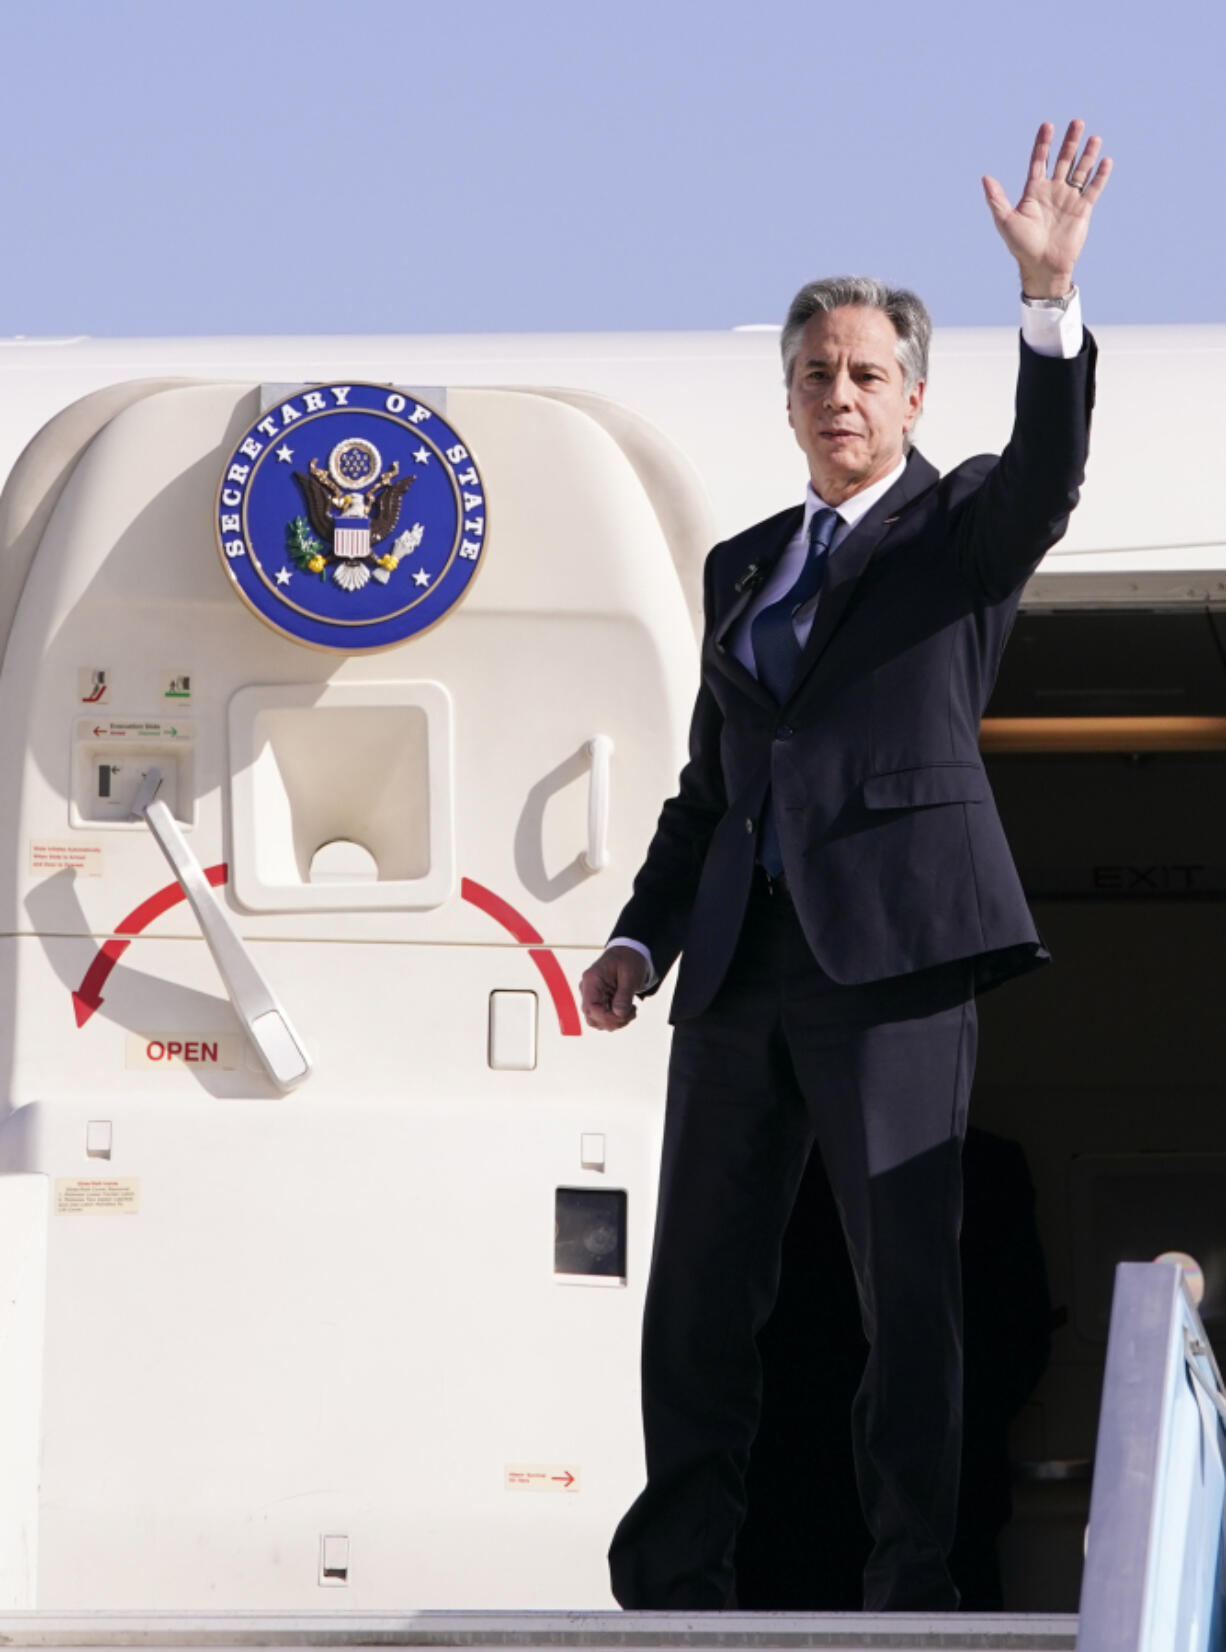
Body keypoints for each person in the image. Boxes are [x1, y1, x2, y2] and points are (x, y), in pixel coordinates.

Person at [579, 119, 1111, 1613]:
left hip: (891, 951)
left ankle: (910, 1589)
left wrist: (1047, 301)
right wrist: (640, 939)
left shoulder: (957, 528)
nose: (837, 395)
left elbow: (1049, 476)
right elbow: (709, 785)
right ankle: (676, 1582)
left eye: (866, 373)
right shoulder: (741, 563)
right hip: (740, 962)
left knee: (906, 1302)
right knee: (695, 1301)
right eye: (814, 373)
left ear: (912, 394)